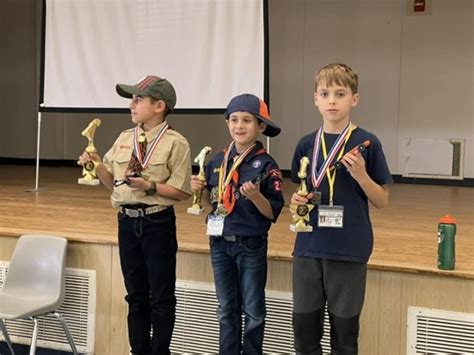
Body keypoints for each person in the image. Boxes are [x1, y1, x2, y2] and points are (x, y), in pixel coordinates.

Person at [78, 75, 192, 355]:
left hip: (157, 222)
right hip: (126, 222)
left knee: (161, 298)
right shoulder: (123, 138)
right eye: (132, 99)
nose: (131, 105)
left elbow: (183, 192)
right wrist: (96, 165)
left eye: (138, 99)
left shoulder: (176, 143)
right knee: (136, 297)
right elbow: (111, 183)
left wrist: (150, 185)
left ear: (159, 106)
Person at [290, 63, 392, 355]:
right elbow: (302, 192)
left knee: (344, 338)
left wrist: (361, 175)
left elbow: (382, 200)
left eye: (340, 93)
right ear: (315, 99)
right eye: (325, 93)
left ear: (354, 99)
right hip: (309, 248)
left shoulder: (366, 143)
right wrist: (296, 201)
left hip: (349, 249)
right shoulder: (306, 144)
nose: (332, 100)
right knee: (305, 336)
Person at [190, 94, 285, 355]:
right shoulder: (217, 161)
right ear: (227, 123)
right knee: (225, 308)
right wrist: (197, 189)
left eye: (247, 120)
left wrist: (256, 197)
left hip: (250, 243)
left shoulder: (267, 165)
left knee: (253, 310)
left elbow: (272, 212)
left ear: (260, 126)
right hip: (219, 242)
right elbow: (214, 201)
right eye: (234, 120)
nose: (239, 126)